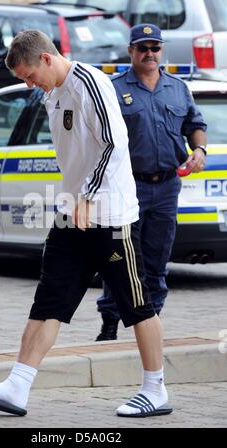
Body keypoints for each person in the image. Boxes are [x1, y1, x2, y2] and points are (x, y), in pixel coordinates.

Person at [0, 29, 172, 418]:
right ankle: (16, 387)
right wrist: (75, 198)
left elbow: (113, 141)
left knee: (137, 305)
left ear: (46, 58)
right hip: (72, 212)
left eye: (29, 75)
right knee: (49, 300)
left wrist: (88, 194)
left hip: (108, 214)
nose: (28, 84)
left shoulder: (89, 83)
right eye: (22, 80)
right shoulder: (51, 93)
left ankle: (155, 389)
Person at [96, 23, 207, 341]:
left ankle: (151, 325)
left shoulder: (177, 88)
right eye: (142, 48)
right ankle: (110, 324)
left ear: (161, 50)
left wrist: (199, 149)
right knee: (119, 256)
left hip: (166, 187)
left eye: (154, 48)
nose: (149, 53)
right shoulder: (114, 89)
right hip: (127, 186)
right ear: (130, 51)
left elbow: (194, 124)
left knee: (157, 259)